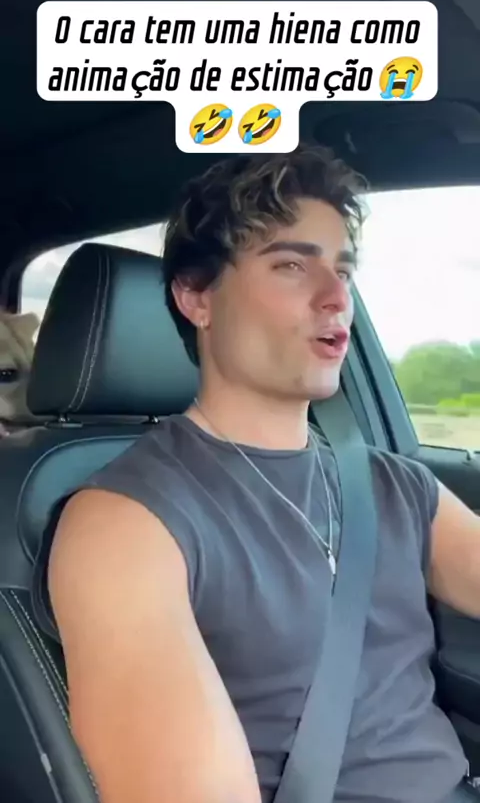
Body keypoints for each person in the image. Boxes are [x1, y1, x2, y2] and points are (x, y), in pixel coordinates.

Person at [34, 145, 480, 803]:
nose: (337, 298)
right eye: (292, 266)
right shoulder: (125, 523)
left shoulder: (396, 485)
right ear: (197, 296)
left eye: (343, 270)